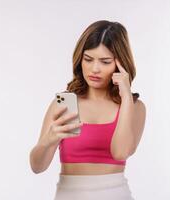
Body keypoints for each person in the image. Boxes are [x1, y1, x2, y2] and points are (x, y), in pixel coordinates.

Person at [29, 20, 146, 200]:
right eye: (88, 59)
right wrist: (48, 141)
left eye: (105, 62)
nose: (95, 69)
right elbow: (37, 167)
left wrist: (126, 98)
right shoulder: (64, 104)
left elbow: (120, 152)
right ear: (79, 59)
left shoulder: (135, 107)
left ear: (120, 64)